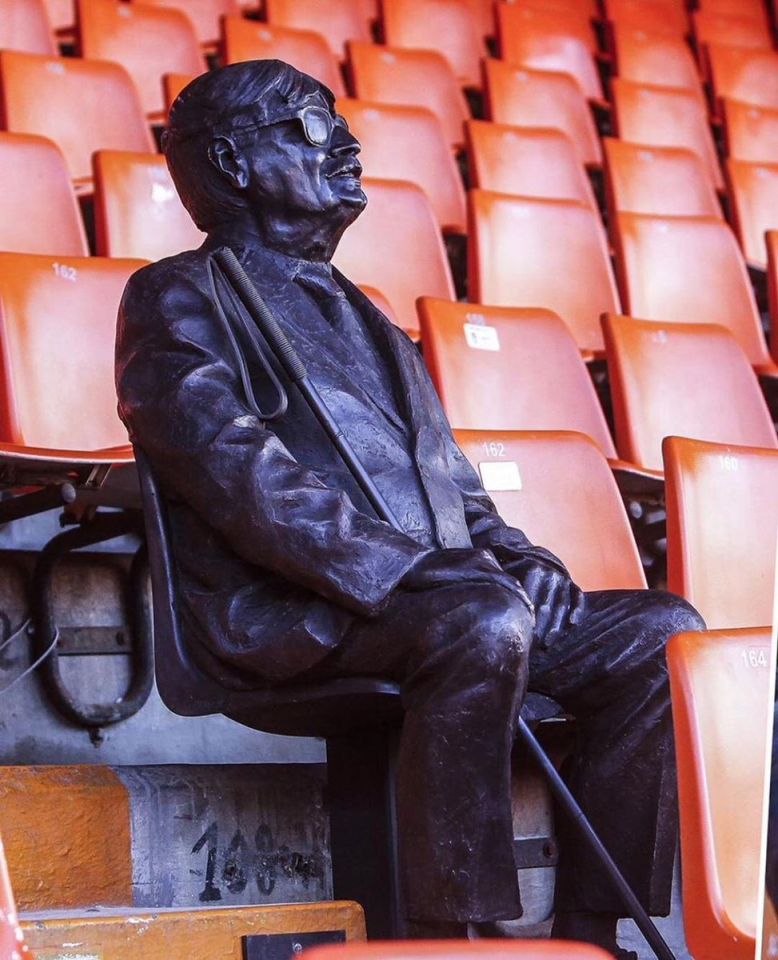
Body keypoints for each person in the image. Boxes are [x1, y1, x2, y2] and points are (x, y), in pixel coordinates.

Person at [115, 60, 705, 957]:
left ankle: (594, 926)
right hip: (296, 609)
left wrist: (522, 558)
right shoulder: (176, 296)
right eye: (313, 126)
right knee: (479, 618)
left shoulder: (372, 317)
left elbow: (456, 492)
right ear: (233, 163)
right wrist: (411, 568)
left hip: (439, 593)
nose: (346, 143)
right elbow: (234, 473)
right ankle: (452, 931)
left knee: (661, 629)